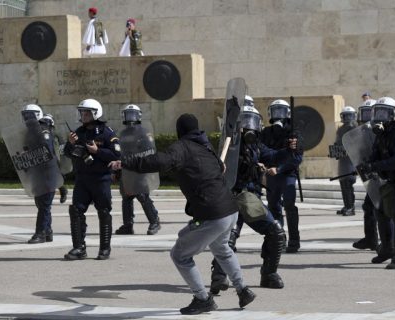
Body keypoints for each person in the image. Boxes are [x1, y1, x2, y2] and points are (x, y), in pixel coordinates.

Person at [110, 113, 256, 315]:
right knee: (222, 249)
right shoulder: (206, 148)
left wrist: (126, 163)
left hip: (212, 214)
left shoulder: (183, 148)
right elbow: (217, 169)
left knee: (180, 255)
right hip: (230, 211)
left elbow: (160, 162)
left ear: (180, 131)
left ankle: (202, 298)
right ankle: (243, 290)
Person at [211, 103, 299, 293]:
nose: (249, 127)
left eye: (253, 122)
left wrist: (288, 149)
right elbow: (224, 165)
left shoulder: (257, 147)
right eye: (245, 122)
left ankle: (269, 274)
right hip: (232, 197)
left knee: (276, 233)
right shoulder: (230, 146)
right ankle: (219, 277)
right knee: (228, 238)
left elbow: (273, 156)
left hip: (251, 199)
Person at [358, 97, 395, 269]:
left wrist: (374, 165)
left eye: (384, 112)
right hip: (388, 180)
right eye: (377, 112)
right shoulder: (381, 135)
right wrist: (366, 165)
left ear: (394, 114)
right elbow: (376, 154)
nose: (380, 116)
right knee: (380, 212)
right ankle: (388, 249)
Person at [63, 99, 120, 260]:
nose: (84, 115)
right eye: (82, 112)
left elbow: (116, 155)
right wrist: (70, 143)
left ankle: (104, 248)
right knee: (76, 210)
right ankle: (79, 248)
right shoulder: (78, 132)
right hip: (82, 179)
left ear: (96, 113)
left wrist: (97, 151)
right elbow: (68, 153)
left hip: (101, 179)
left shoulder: (107, 132)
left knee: (103, 211)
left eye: (87, 113)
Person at [260, 98, 303, 253]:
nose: (278, 115)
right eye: (275, 111)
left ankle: (294, 240)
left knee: (290, 206)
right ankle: (279, 237)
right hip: (271, 175)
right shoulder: (265, 132)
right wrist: (264, 166)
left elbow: (297, 158)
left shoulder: (293, 133)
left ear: (288, 114)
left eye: (282, 111)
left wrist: (280, 168)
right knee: (273, 207)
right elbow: (261, 152)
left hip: (287, 175)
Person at [114, 104, 160, 235]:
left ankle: (154, 221)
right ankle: (128, 225)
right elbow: (119, 153)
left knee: (142, 196)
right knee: (126, 197)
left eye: (133, 114)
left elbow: (149, 151)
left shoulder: (144, 132)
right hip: (126, 171)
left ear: (139, 115)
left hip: (140, 170)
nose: (130, 117)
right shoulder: (122, 134)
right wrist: (117, 171)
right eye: (128, 114)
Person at [21, 105, 57, 244]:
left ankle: (40, 233)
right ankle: (47, 231)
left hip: (47, 174)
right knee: (41, 203)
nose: (27, 118)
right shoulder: (30, 132)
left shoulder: (43, 131)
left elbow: (45, 151)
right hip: (38, 174)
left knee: (44, 205)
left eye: (30, 115)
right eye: (26, 115)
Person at [352, 99, 379, 251]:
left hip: (382, 174)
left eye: (370, 112)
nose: (366, 116)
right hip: (371, 173)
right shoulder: (363, 132)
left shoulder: (379, 130)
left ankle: (385, 241)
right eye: (364, 112)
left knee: (381, 208)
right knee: (369, 206)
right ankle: (371, 239)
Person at [333, 106, 358, 217]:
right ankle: (346, 205)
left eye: (349, 115)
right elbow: (337, 141)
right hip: (342, 160)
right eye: (345, 115)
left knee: (348, 184)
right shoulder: (340, 128)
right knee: (343, 184)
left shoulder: (355, 128)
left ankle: (351, 207)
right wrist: (334, 149)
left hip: (350, 160)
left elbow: (356, 145)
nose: (347, 118)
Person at [39, 114, 68, 204]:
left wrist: (63, 160)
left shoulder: (56, 133)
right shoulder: (41, 132)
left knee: (55, 178)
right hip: (43, 159)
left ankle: (62, 191)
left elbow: (62, 145)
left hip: (54, 158)